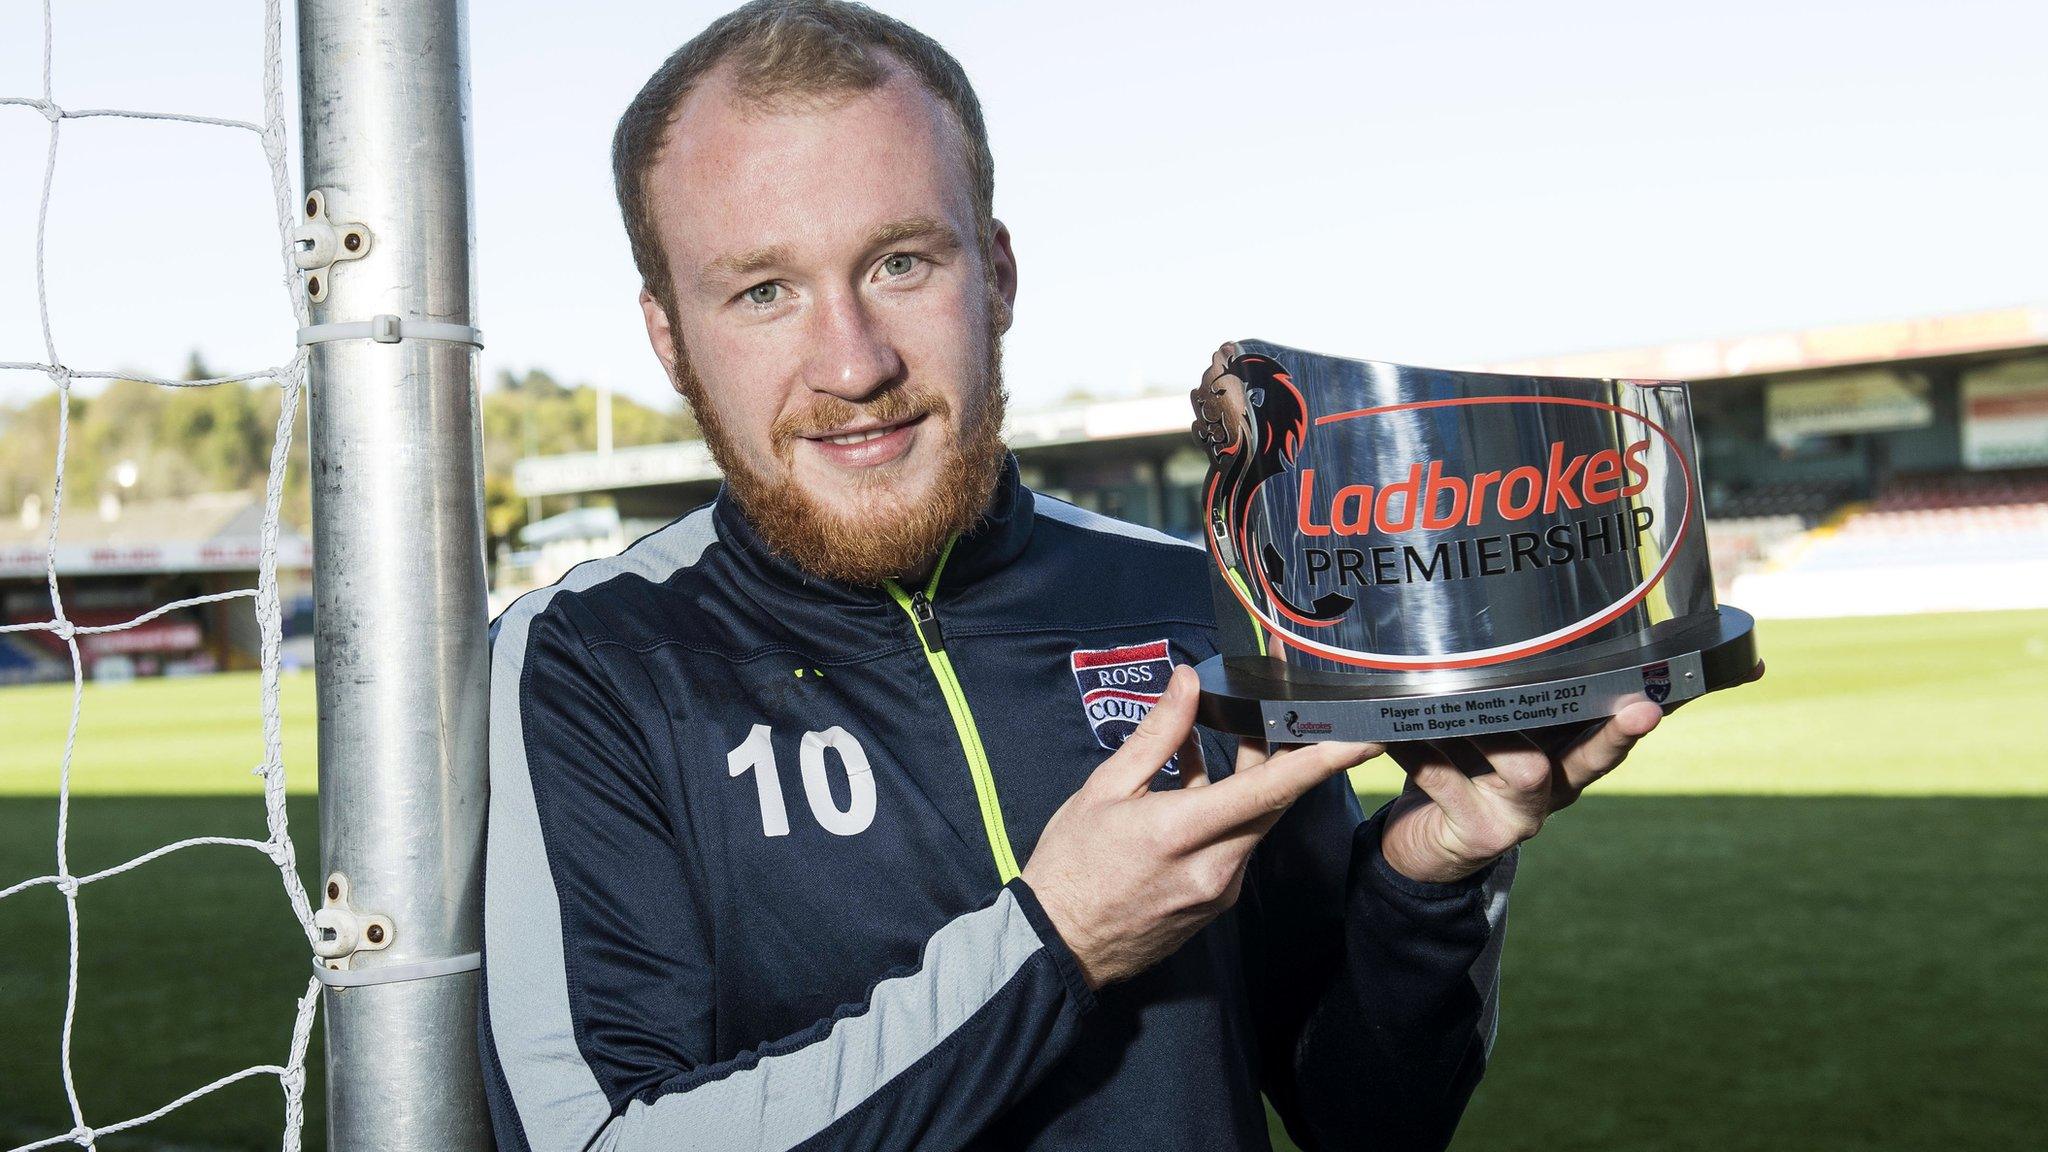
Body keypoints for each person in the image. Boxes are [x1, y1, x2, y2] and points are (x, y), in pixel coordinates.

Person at [479, 3, 1668, 1149]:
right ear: (668, 337)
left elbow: (1364, 1119)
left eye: (899, 263)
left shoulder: (1200, 599)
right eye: (762, 292)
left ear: (994, 275)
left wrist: (1427, 873)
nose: (850, 363)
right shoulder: (594, 661)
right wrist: (1054, 944)